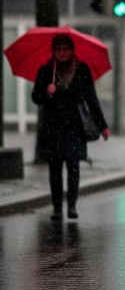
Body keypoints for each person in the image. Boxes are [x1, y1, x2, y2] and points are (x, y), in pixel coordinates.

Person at [31, 33, 110, 221]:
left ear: (72, 50)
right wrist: (46, 91)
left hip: (75, 126)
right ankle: (57, 208)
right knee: (55, 168)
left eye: (66, 49)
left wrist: (103, 126)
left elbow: (92, 99)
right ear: (53, 51)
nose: (62, 53)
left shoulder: (82, 70)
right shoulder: (46, 71)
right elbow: (35, 97)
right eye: (58, 49)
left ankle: (72, 206)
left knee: (73, 166)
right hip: (53, 127)